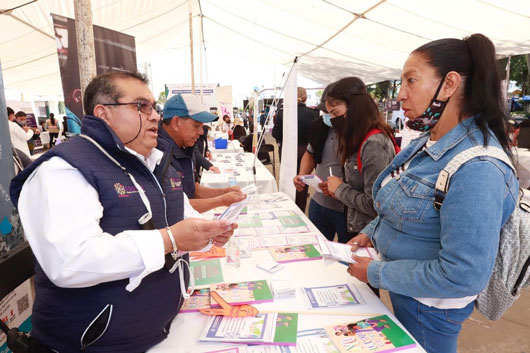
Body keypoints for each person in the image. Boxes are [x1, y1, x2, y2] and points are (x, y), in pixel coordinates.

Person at [10, 71, 236, 352]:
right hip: (97, 344)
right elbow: (70, 260)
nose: (154, 116)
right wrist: (171, 240)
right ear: (103, 113)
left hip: (161, 332)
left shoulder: (149, 160)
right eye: (141, 106)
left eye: (154, 107)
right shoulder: (64, 169)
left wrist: (206, 230)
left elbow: (179, 213)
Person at [346, 34, 518, 353]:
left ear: (449, 84)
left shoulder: (478, 168)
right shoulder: (426, 143)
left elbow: (463, 275)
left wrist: (376, 272)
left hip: (429, 309)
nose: (400, 94)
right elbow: (399, 199)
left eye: (411, 80)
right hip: (404, 289)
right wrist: (371, 233)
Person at [325, 77, 398, 242]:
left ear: (354, 109)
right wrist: (336, 187)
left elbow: (376, 204)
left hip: (367, 233)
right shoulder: (358, 139)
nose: (333, 120)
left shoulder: (374, 144)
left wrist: (340, 189)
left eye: (336, 113)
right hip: (356, 226)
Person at [156, 94, 246, 213]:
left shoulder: (184, 147)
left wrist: (225, 192)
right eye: (196, 126)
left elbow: (194, 190)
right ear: (176, 123)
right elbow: (175, 206)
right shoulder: (157, 155)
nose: (200, 132)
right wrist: (222, 200)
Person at [293, 83, 348, 243]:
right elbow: (310, 154)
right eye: (326, 111)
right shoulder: (320, 126)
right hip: (319, 202)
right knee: (318, 251)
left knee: (347, 256)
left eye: (334, 112)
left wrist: (340, 187)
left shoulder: (358, 133)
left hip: (344, 208)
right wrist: (302, 176)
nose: (329, 117)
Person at [272, 87, 319, 211]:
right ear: (305, 97)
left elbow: (275, 133)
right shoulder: (313, 113)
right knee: (302, 180)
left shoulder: (283, 113)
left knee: (288, 177)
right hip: (306, 150)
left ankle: (287, 206)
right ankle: (300, 208)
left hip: (287, 150)